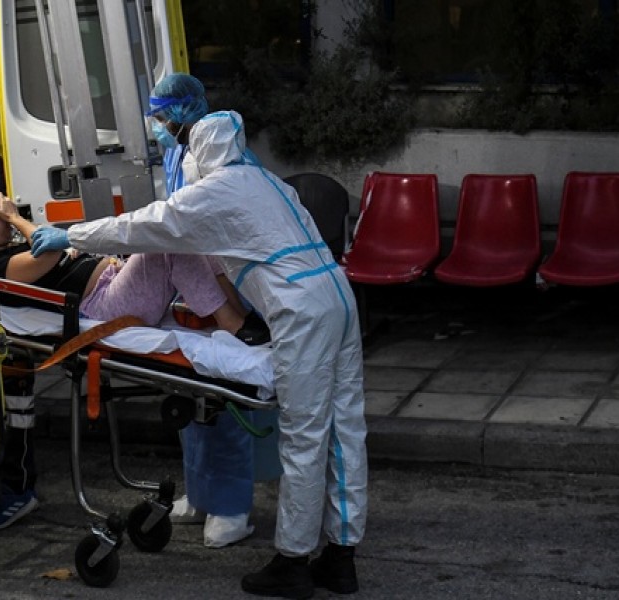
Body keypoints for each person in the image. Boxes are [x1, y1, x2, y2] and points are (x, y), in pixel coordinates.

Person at [29, 110, 368, 598]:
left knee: (306, 436)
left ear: (200, 153)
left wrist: (73, 235)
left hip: (301, 311)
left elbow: (145, 225)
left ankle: (293, 562)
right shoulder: (267, 181)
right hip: (338, 297)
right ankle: (341, 558)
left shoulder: (215, 191)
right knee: (344, 428)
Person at [0, 185, 269, 531]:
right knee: (167, 243)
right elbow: (50, 254)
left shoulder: (12, 247)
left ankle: (240, 317)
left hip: (112, 281)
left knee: (191, 234)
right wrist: (16, 217)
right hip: (101, 305)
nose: (2, 203)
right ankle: (234, 324)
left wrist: (13, 220)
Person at [143, 73, 261, 549]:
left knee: (224, 397)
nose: (158, 125)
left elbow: (216, 230)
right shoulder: (177, 154)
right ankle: (201, 495)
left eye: (163, 115)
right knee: (190, 397)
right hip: (196, 288)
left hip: (233, 288)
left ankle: (231, 506)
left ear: (187, 111)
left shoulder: (230, 164)